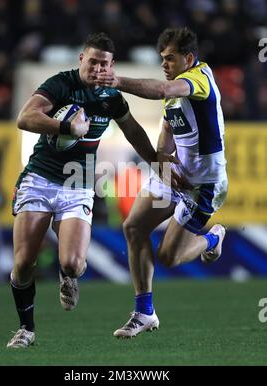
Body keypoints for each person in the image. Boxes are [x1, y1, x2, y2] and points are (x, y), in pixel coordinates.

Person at [6, 32, 158, 348]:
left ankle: (69, 276)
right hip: (40, 179)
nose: (97, 68)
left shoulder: (112, 97)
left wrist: (156, 160)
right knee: (23, 262)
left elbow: (133, 132)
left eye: (103, 63)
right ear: (81, 59)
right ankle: (26, 329)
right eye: (92, 61)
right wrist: (66, 127)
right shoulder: (61, 84)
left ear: (112, 65)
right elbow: (25, 117)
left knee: (73, 263)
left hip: (78, 184)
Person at [96, 27, 228, 338]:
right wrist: (162, 159)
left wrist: (118, 81)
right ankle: (144, 313)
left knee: (169, 257)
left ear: (189, 58)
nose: (164, 65)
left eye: (170, 59)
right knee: (132, 226)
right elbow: (168, 134)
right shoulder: (174, 93)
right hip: (176, 176)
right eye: (162, 59)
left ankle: (212, 239)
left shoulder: (199, 79)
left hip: (204, 185)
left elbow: (158, 90)